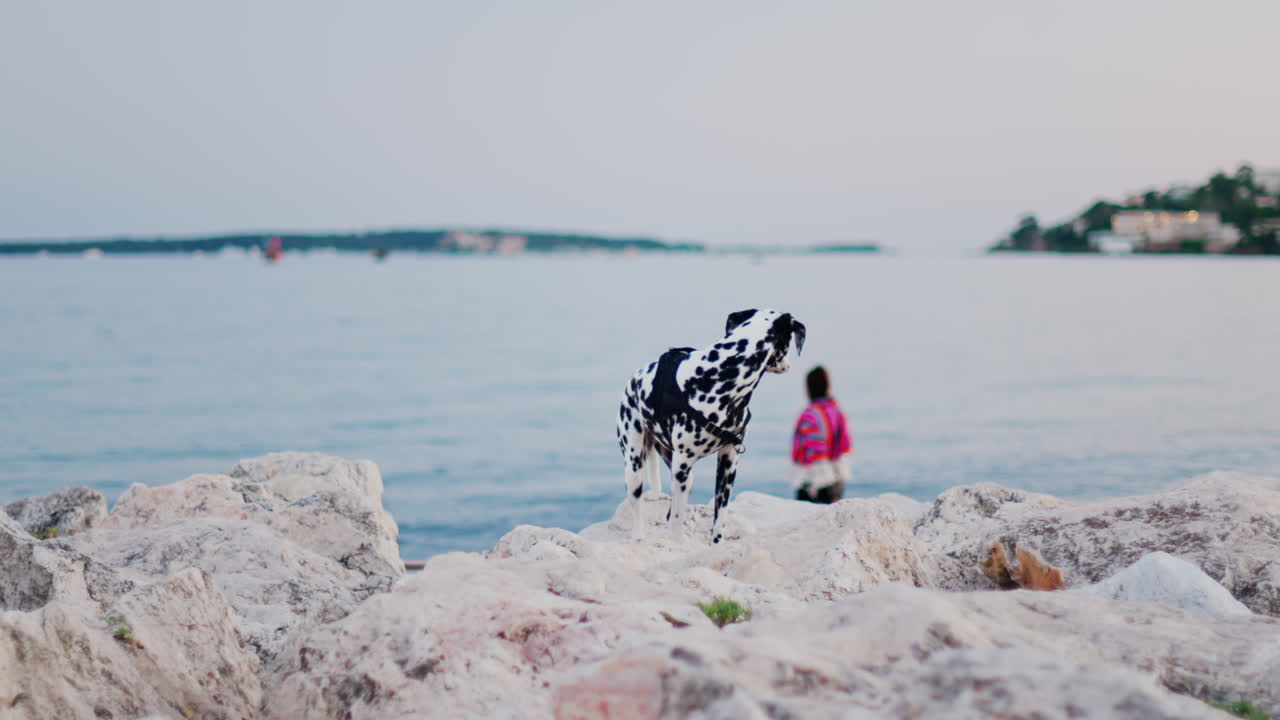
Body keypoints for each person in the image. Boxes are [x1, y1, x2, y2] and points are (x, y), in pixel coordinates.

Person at [789, 366, 852, 503]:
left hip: (815, 482)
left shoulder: (810, 415)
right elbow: (845, 444)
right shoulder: (836, 410)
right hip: (837, 476)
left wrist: (813, 487)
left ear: (809, 388)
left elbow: (815, 449)